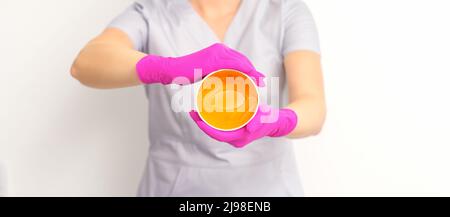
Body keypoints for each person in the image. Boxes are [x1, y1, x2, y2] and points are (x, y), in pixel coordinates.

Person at [71, 0, 326, 196]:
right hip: (174, 187)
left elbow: (313, 105)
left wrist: (277, 121)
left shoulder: (283, 10)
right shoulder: (151, 12)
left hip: (267, 188)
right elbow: (85, 64)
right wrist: (165, 68)